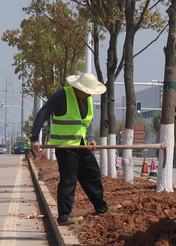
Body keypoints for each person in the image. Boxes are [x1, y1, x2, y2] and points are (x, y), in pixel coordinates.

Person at [30, 73, 119, 226]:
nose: (89, 94)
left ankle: (101, 207)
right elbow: (42, 113)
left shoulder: (87, 99)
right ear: (78, 88)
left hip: (82, 144)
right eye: (87, 91)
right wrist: (34, 138)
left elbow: (86, 122)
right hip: (65, 147)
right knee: (69, 179)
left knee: (93, 174)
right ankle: (64, 216)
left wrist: (90, 138)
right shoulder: (61, 95)